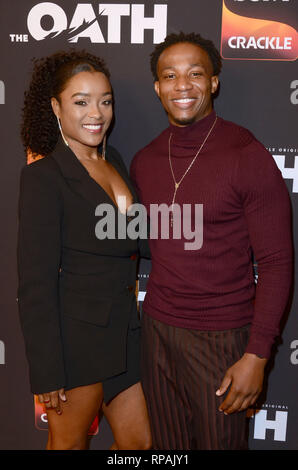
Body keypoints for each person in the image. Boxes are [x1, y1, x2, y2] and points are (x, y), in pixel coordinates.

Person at [130, 32, 293, 450]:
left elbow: (275, 262)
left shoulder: (246, 154)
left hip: (222, 337)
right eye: (170, 75)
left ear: (214, 82)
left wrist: (257, 355)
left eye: (195, 73)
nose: (182, 85)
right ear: (157, 87)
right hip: (158, 331)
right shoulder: (145, 160)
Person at [17, 50, 151, 450]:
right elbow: (35, 283)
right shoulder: (44, 177)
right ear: (56, 106)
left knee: (140, 444)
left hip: (126, 333)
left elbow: (138, 239)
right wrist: (46, 373)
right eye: (81, 101)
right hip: (76, 342)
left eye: (105, 101)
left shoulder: (117, 162)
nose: (97, 113)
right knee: (69, 445)